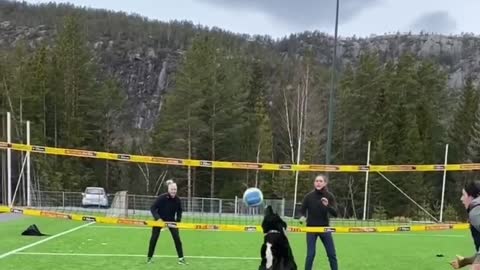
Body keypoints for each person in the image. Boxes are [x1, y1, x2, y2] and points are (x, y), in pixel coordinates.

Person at [299, 174, 338, 270]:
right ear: (314, 183)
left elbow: (335, 213)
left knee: (331, 254)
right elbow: (302, 211)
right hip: (311, 229)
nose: (318, 183)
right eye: (316, 181)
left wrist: (327, 205)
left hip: (325, 228)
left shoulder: (329, 196)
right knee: (310, 255)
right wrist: (302, 217)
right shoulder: (308, 196)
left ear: (325, 183)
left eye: (321, 181)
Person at [147, 179, 187, 265]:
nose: (173, 191)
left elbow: (180, 211)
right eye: (172, 189)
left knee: (177, 239)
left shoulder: (177, 200)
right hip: (159, 221)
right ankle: (149, 258)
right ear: (168, 189)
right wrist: (158, 218)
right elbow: (153, 208)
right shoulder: (161, 198)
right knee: (154, 239)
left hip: (171, 221)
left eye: (175, 189)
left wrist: (178, 221)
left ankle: (181, 259)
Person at [450, 180, 480, 269]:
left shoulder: (475, 211)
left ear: (473, 196)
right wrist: (464, 262)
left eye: (464, 195)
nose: (461, 199)